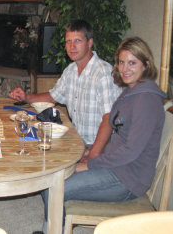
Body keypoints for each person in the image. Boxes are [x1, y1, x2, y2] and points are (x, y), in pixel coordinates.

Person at [39, 37, 166, 234]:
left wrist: (89, 164)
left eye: (132, 63)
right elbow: (119, 137)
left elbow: (130, 151)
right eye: (122, 62)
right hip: (116, 166)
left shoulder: (146, 100)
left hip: (127, 179)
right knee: (54, 172)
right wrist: (91, 151)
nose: (125, 69)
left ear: (146, 65)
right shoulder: (131, 92)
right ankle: (54, 228)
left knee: (54, 187)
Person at [9, 19, 121, 159]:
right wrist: (26, 97)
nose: (72, 46)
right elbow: (52, 97)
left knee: (42, 162)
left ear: (90, 43)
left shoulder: (103, 73)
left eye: (78, 41)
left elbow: (109, 118)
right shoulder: (71, 70)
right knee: (28, 151)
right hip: (76, 142)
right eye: (68, 41)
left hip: (96, 147)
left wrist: (92, 156)